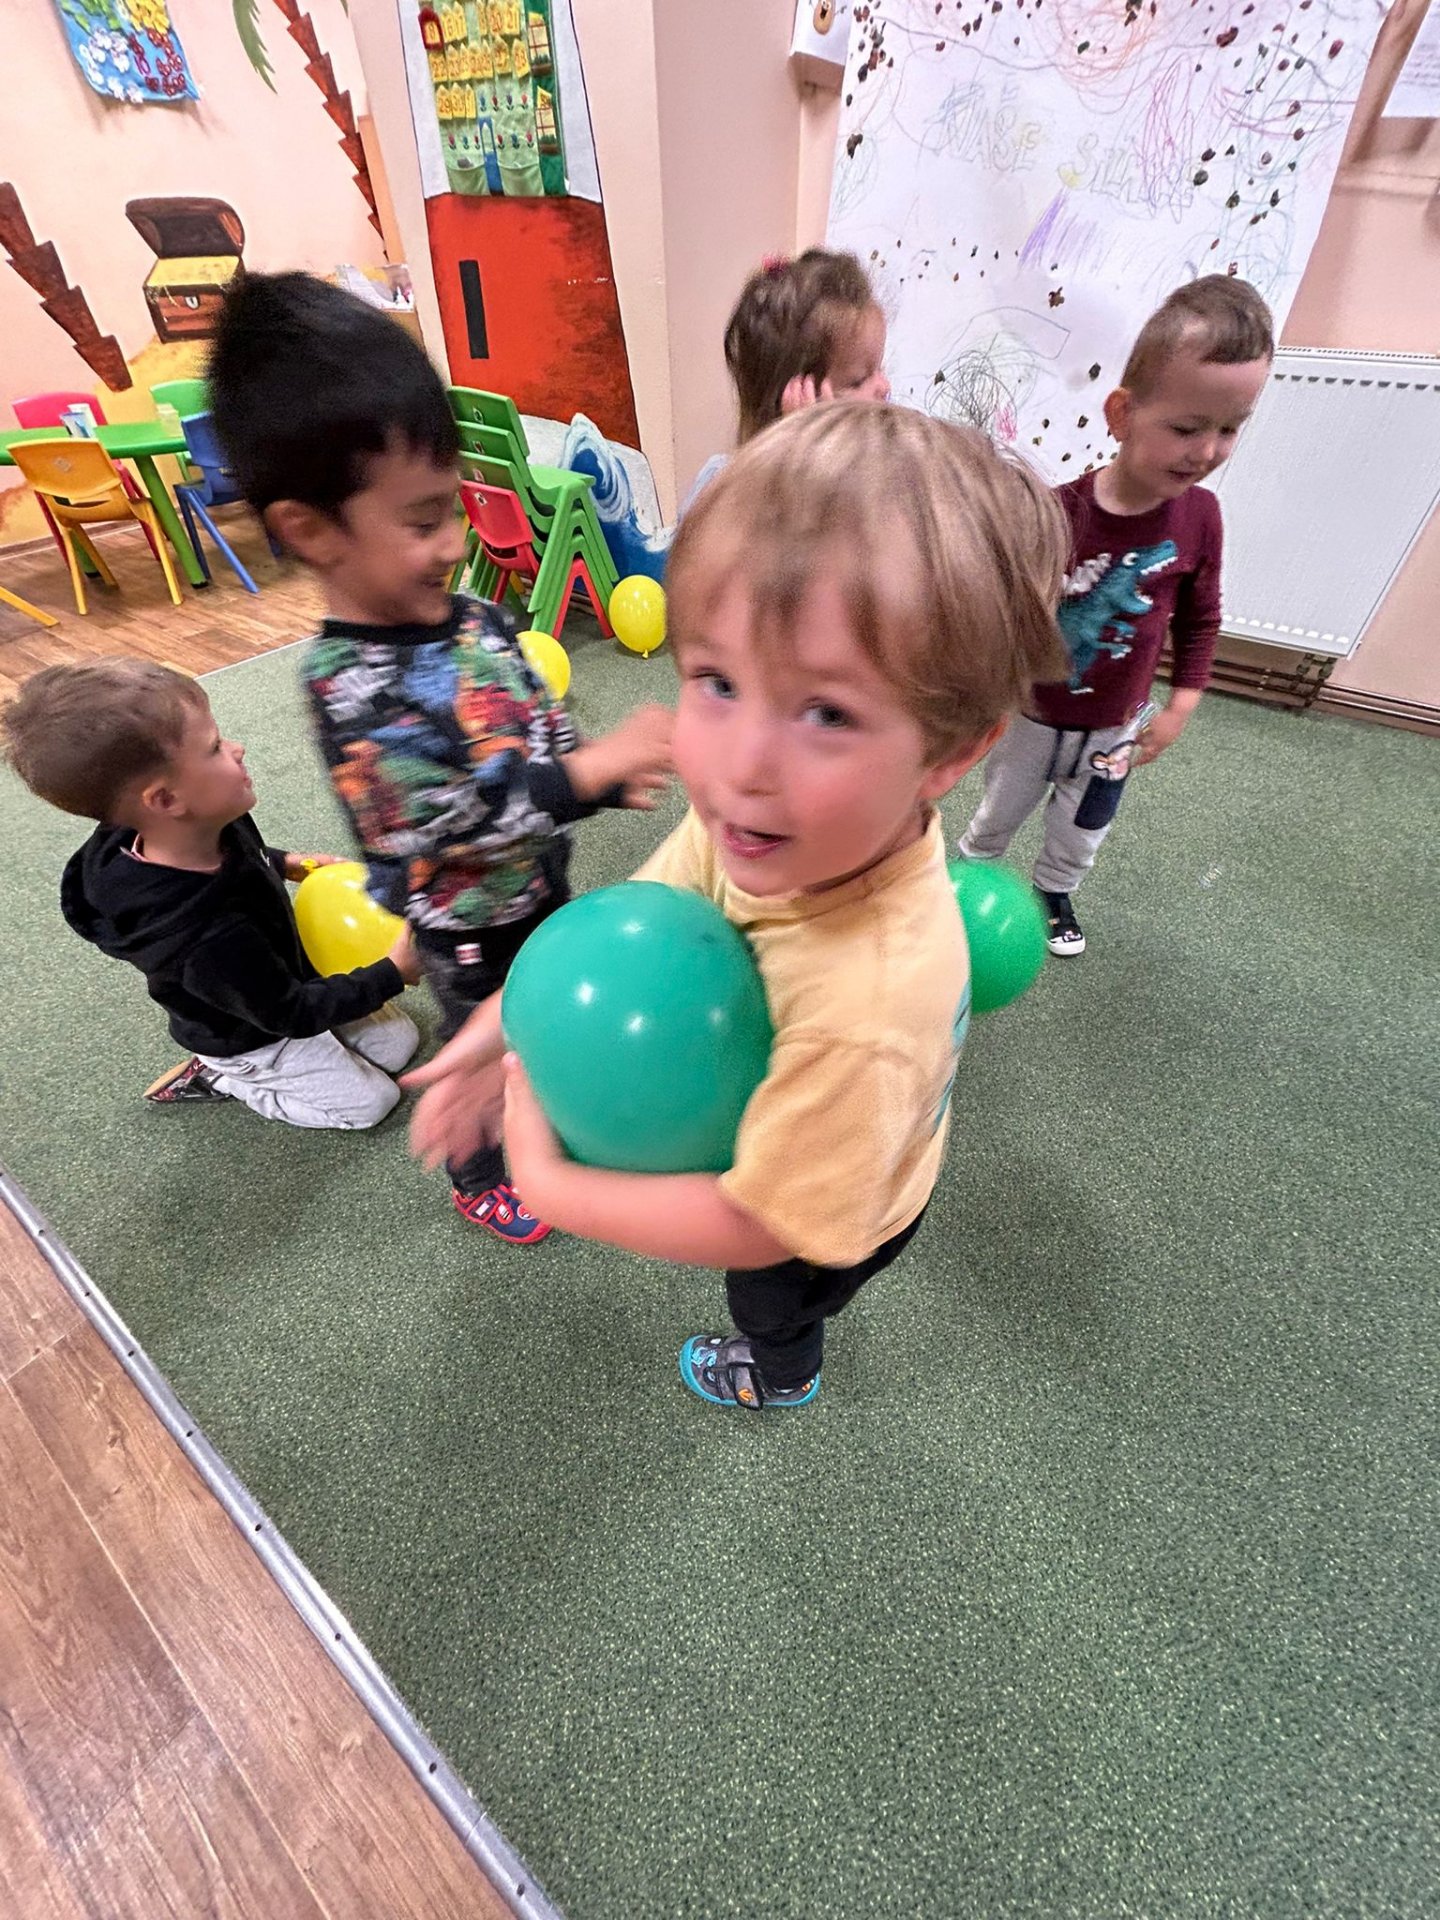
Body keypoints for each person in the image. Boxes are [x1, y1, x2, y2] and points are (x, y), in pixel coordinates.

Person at [406, 404, 1070, 1408]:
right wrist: (498, 1029)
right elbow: (649, 909)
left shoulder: (870, 1004)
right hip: (812, 1121)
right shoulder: (771, 830)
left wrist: (550, 1187)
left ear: (951, 753)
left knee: (775, 1299)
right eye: (716, 681)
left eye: (826, 711)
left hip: (835, 1208)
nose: (740, 766)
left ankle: (781, 1373)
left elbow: (763, 1222)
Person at [208, 272, 673, 1241]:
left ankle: (545, 1111)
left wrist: (590, 769)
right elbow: (442, 823)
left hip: (535, 883)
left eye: (453, 508)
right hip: (464, 927)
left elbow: (530, 715)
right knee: (481, 1053)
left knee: (541, 1015)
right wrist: (582, 778)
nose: (454, 541)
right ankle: (480, 1174)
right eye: (421, 522)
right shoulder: (347, 687)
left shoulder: (468, 618)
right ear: (309, 529)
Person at [958, 274, 1275, 956]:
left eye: (1229, 429)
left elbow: (1200, 617)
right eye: (1187, 428)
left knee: (1083, 827)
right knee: (999, 810)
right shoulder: (1057, 510)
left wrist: (1182, 702)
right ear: (1123, 414)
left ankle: (1054, 891)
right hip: (1033, 714)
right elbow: (1007, 606)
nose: (1207, 450)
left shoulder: (1202, 517)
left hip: (1115, 725)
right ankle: (967, 877)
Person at [1, 659, 422, 1127]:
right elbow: (288, 1014)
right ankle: (227, 1078)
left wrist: (283, 862)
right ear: (166, 800)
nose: (238, 749)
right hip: (254, 1035)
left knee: (398, 1044)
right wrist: (393, 973)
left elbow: (247, 856)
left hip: (280, 974)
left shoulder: (202, 820)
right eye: (216, 747)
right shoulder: (202, 938)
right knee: (371, 1103)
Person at [681, 249, 891, 512]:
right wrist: (804, 473)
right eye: (858, 380)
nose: (885, 387)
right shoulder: (724, 493)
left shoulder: (874, 479)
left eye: (880, 368)